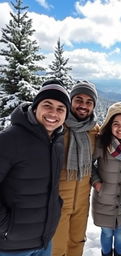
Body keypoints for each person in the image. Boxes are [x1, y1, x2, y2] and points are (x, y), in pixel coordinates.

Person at [0, 80, 70, 256]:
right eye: (48, 105)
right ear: (35, 107)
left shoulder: (57, 141)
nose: (54, 113)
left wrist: (56, 208)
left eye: (61, 108)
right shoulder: (9, 139)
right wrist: (5, 225)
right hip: (11, 246)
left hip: (44, 242)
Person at [52, 81, 99, 256]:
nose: (83, 106)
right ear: (71, 101)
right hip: (58, 200)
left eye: (89, 102)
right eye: (79, 100)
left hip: (81, 200)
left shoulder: (94, 132)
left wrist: (96, 180)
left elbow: (94, 164)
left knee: (77, 242)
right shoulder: (57, 127)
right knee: (56, 246)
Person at [91, 102, 121, 256]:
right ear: (109, 126)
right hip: (104, 199)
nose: (120, 127)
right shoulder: (101, 143)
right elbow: (88, 165)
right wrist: (97, 183)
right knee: (106, 234)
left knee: (120, 234)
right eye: (115, 123)